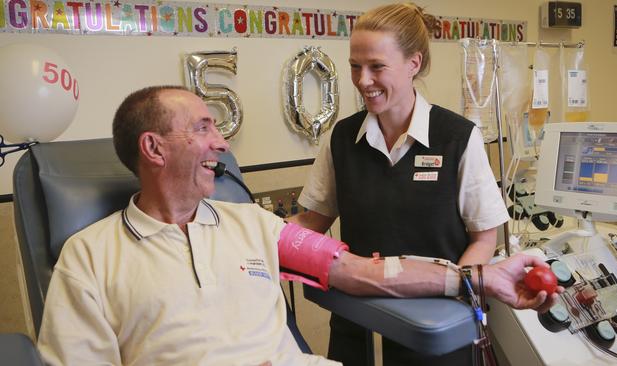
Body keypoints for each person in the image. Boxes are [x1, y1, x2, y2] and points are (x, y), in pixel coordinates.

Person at [36, 85, 557, 366]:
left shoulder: (256, 225)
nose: (222, 142)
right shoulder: (89, 258)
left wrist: (479, 279)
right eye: (203, 127)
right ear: (153, 148)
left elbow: (366, 273)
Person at [288, 3, 511, 365]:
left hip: (433, 332)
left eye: (377, 67)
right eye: (355, 66)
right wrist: (252, 232)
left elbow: (484, 237)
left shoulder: (456, 138)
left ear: (414, 64)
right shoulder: (342, 139)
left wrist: (447, 306)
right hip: (356, 325)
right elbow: (312, 223)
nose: (363, 80)